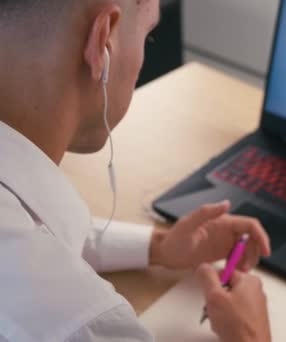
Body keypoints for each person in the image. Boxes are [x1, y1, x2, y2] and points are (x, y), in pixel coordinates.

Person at [0, 1, 271, 341]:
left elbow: (33, 234)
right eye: (148, 35)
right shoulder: (83, 324)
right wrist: (252, 336)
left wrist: (159, 246)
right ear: (103, 42)